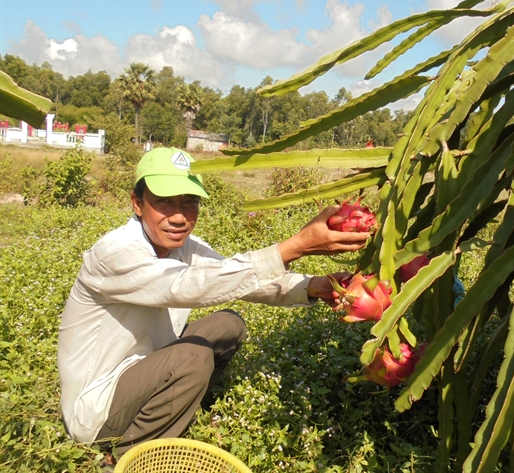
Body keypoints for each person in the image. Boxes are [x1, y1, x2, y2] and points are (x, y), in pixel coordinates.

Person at [57, 147, 369, 461]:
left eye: (189, 202)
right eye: (164, 201)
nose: (179, 217)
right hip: (98, 407)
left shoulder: (187, 247)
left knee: (228, 326)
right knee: (192, 357)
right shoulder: (115, 253)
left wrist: (315, 286)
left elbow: (237, 278)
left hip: (146, 368)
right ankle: (126, 456)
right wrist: (296, 246)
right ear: (137, 203)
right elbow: (186, 286)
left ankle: (178, 405)